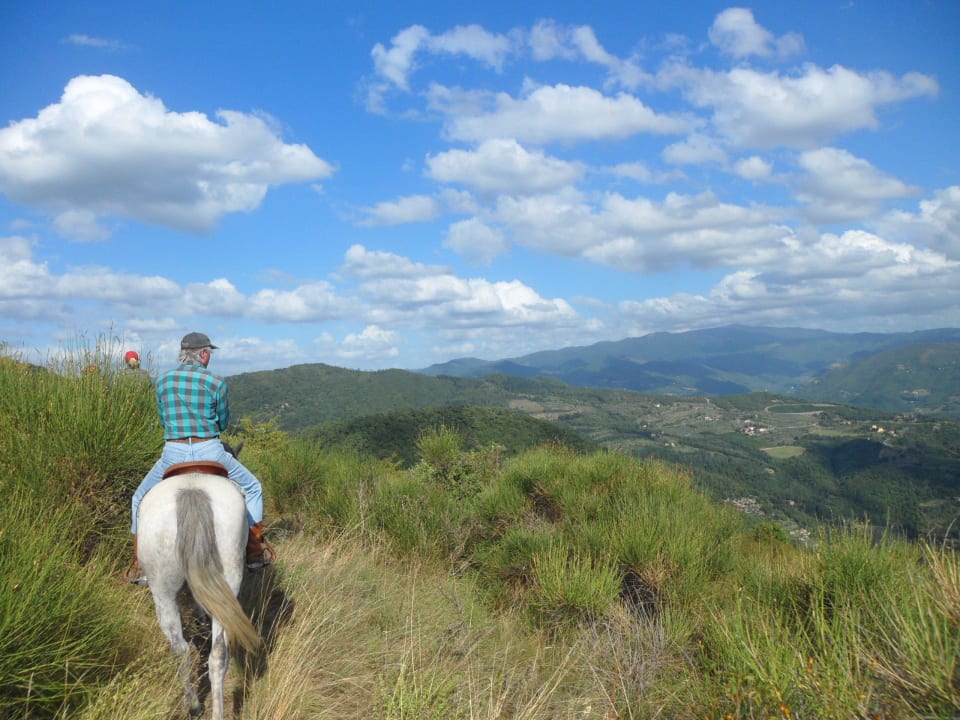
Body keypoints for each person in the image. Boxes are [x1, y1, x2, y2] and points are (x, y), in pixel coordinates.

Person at [125, 332, 273, 584]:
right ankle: (254, 551)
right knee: (253, 487)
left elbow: (163, 419)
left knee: (139, 498)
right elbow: (223, 422)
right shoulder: (216, 382)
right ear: (203, 354)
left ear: (183, 354)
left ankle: (139, 563)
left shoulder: (162, 381)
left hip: (173, 454)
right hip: (210, 450)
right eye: (209, 354)